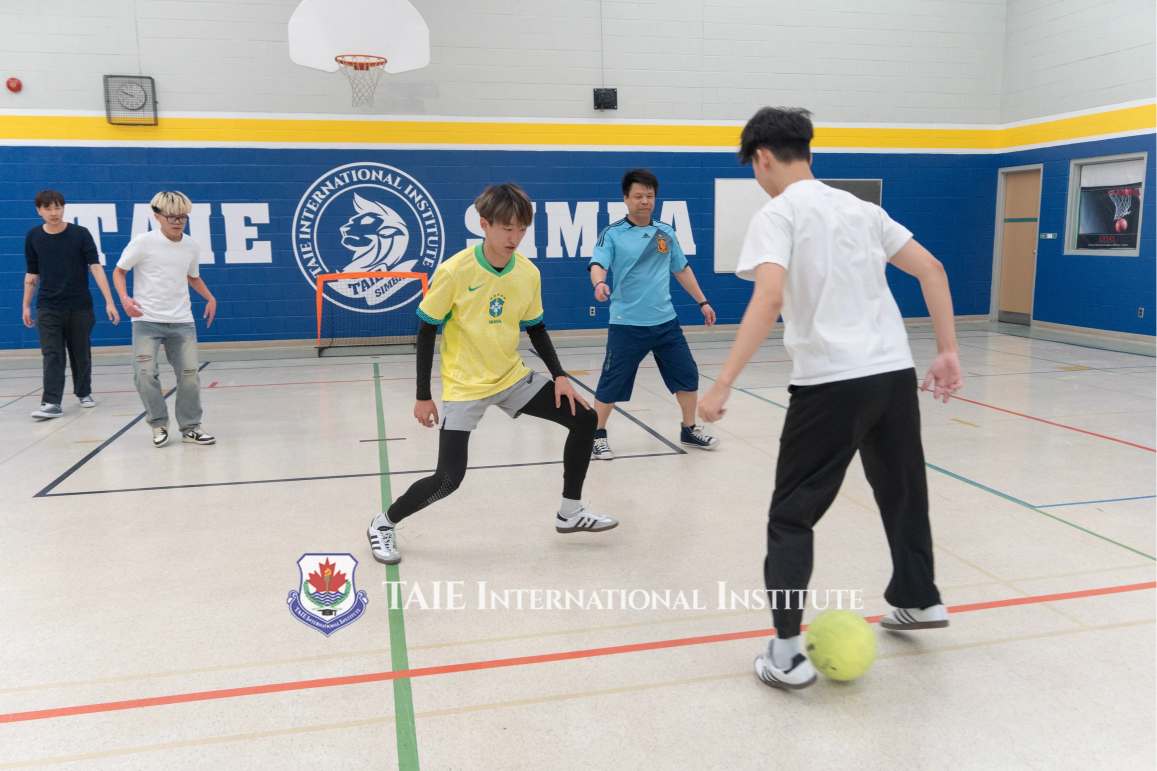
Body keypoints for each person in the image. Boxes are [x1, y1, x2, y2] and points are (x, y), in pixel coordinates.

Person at [698, 107, 964, 690]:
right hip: (892, 374)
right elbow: (933, 270)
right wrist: (947, 351)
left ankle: (787, 653)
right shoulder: (861, 209)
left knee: (792, 514)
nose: (758, 178)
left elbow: (768, 298)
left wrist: (721, 384)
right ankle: (919, 599)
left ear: (762, 157)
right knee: (902, 491)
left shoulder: (778, 213)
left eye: (754, 168)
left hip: (830, 383)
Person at [367, 183, 617, 565]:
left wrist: (560, 374)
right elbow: (426, 328)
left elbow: (535, 326)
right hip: (465, 385)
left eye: (521, 230)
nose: (514, 238)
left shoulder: (528, 273)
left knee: (584, 419)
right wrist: (423, 394)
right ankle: (383, 523)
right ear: (484, 224)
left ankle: (570, 512)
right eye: (506, 229)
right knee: (449, 478)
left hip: (511, 377)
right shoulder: (454, 271)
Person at [588, 169, 719, 460]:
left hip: (665, 323)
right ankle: (597, 435)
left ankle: (689, 429)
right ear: (626, 199)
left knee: (687, 375)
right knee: (611, 382)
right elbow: (597, 263)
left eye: (649, 196)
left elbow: (681, 269)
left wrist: (702, 302)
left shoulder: (665, 233)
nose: (644, 201)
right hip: (627, 325)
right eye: (638, 196)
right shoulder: (613, 233)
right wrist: (599, 282)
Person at [113, 191, 217, 448]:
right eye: (171, 216)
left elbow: (192, 276)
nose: (177, 221)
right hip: (146, 321)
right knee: (145, 374)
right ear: (157, 216)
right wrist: (125, 299)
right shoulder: (143, 242)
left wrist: (210, 298)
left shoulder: (191, 246)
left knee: (190, 375)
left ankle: (190, 427)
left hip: (182, 321)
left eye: (183, 216)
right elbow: (119, 271)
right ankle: (158, 423)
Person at [22, 189, 120, 419]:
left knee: (80, 353)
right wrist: (26, 305)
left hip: (79, 307)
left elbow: (95, 267)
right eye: (48, 208)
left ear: (64, 208)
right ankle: (51, 403)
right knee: (52, 354)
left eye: (58, 207)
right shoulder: (33, 236)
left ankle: (84, 392)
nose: (54, 212)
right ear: (39, 210)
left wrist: (109, 301)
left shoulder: (81, 234)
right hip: (48, 306)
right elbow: (32, 273)